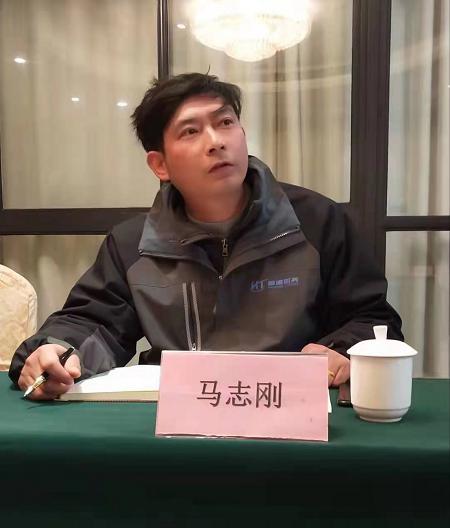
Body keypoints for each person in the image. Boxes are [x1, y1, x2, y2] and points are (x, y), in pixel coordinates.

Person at [9, 72, 403, 400]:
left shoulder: (316, 222)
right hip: (179, 415)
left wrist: (340, 350)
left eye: (225, 122)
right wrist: (58, 351)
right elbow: (95, 323)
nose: (216, 141)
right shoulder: (133, 244)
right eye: (191, 131)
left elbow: (372, 320)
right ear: (159, 165)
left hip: (291, 411)